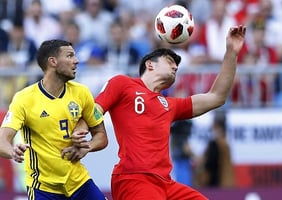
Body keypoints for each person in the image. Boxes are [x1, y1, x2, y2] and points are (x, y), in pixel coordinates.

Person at [73, 25, 246, 199]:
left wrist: (231, 53)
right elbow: (96, 109)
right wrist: (81, 131)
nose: (175, 67)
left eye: (177, 65)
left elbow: (217, 97)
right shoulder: (123, 83)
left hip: (166, 183)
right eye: (170, 61)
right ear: (150, 65)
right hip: (135, 178)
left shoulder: (170, 105)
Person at [0, 39, 108, 199]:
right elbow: (2, 140)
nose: (76, 61)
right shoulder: (24, 99)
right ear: (53, 61)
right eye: (70, 56)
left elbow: (101, 136)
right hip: (43, 188)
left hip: (79, 182)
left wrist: (87, 147)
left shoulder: (82, 93)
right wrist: (12, 151)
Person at [194, 110, 235, 188]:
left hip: (216, 185)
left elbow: (209, 164)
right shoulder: (225, 143)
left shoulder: (216, 143)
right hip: (224, 184)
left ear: (215, 124)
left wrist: (198, 160)